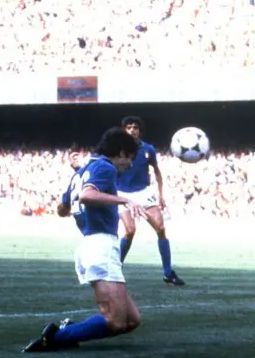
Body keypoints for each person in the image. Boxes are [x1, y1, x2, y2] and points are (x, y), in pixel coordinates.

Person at [22, 127, 147, 352]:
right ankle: (56, 337)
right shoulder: (105, 167)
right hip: (100, 246)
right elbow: (87, 196)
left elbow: (61, 209)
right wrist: (125, 200)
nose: (129, 165)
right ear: (120, 153)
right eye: (129, 158)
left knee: (132, 320)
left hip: (93, 245)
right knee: (116, 321)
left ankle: (69, 330)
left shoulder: (81, 172)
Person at [117, 116, 185, 286]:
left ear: (140, 130)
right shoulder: (117, 148)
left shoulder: (148, 149)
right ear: (124, 130)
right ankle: (115, 268)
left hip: (144, 192)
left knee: (161, 228)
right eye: (129, 127)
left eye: (135, 127)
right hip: (123, 194)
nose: (132, 130)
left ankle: (168, 273)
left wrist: (160, 195)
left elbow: (157, 171)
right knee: (130, 231)